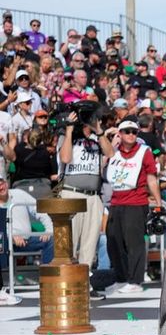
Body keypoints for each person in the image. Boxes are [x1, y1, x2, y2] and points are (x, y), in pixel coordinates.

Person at [103, 120, 163, 295]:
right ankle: (121, 278)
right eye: (127, 131)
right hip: (115, 202)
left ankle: (135, 280)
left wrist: (158, 203)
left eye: (134, 132)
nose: (131, 134)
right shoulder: (114, 152)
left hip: (136, 202)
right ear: (119, 134)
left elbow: (152, 178)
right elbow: (102, 170)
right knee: (114, 241)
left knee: (134, 242)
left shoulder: (144, 152)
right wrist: (111, 148)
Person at [58, 110, 114, 272]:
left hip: (93, 196)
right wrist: (69, 130)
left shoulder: (97, 140)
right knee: (71, 239)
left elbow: (110, 153)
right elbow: (65, 158)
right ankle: (68, 277)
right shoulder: (67, 138)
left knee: (90, 241)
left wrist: (99, 130)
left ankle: (85, 279)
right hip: (71, 193)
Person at [0, 176, 54, 265]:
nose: (1, 187)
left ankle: (48, 274)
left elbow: (39, 210)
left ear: (6, 183)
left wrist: (48, 230)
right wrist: (11, 237)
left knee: (51, 240)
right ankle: (5, 275)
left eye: (1, 183)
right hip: (5, 241)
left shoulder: (19, 194)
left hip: (27, 240)